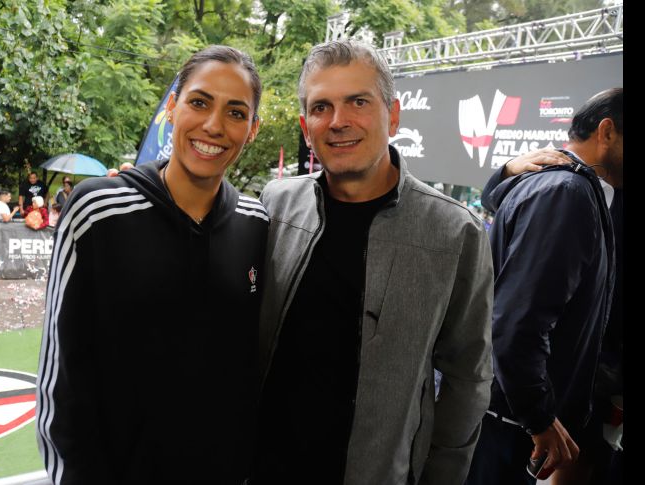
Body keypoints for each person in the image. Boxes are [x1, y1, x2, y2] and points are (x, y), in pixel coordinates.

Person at [252, 40, 493, 485]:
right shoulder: (276, 204)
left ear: (393, 115)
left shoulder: (456, 232)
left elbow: (468, 376)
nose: (339, 121)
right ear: (307, 127)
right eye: (322, 107)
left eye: (358, 102)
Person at [36, 45, 266, 484]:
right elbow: (61, 383)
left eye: (236, 113)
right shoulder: (97, 212)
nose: (214, 125)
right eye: (199, 102)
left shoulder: (256, 223)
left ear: (252, 129)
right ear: (173, 107)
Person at [466, 88, 621, 485]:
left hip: (510, 415)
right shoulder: (565, 193)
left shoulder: (572, 189)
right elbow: (518, 323)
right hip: (507, 420)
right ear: (606, 132)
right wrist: (538, 416)